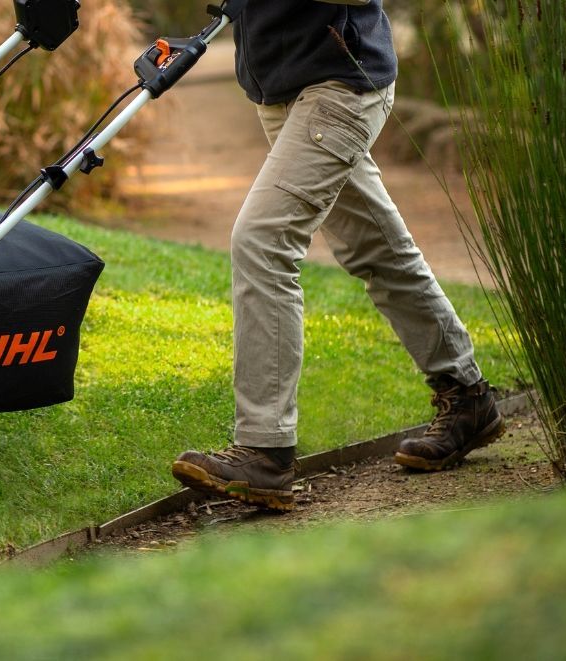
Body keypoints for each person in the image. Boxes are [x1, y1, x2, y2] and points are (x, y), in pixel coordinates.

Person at [170, 0, 502, 511]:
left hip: (339, 85)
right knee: (378, 250)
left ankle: (265, 452)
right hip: (282, 93)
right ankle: (467, 396)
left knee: (262, 240)